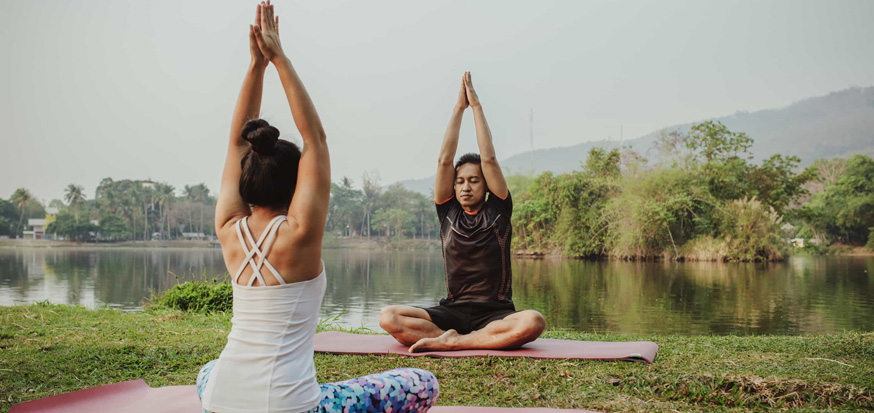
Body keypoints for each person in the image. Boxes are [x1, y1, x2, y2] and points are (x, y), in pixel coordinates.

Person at [197, 3, 438, 412]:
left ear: (246, 179)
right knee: (421, 382)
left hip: (220, 403)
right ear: (297, 185)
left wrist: (256, 66)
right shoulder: (299, 234)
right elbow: (316, 140)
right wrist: (279, 58)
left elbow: (237, 144)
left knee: (209, 370)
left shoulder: (227, 228)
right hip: (292, 407)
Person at [379, 72, 546, 353]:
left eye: (473, 180)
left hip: (495, 313)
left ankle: (455, 342)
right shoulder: (447, 213)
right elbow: (445, 159)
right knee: (389, 317)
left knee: (533, 322)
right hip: (452, 313)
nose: (465, 186)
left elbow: (489, 157)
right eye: (460, 181)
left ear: (486, 184)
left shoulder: (498, 210)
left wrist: (476, 107)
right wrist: (458, 108)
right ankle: (464, 338)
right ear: (453, 187)